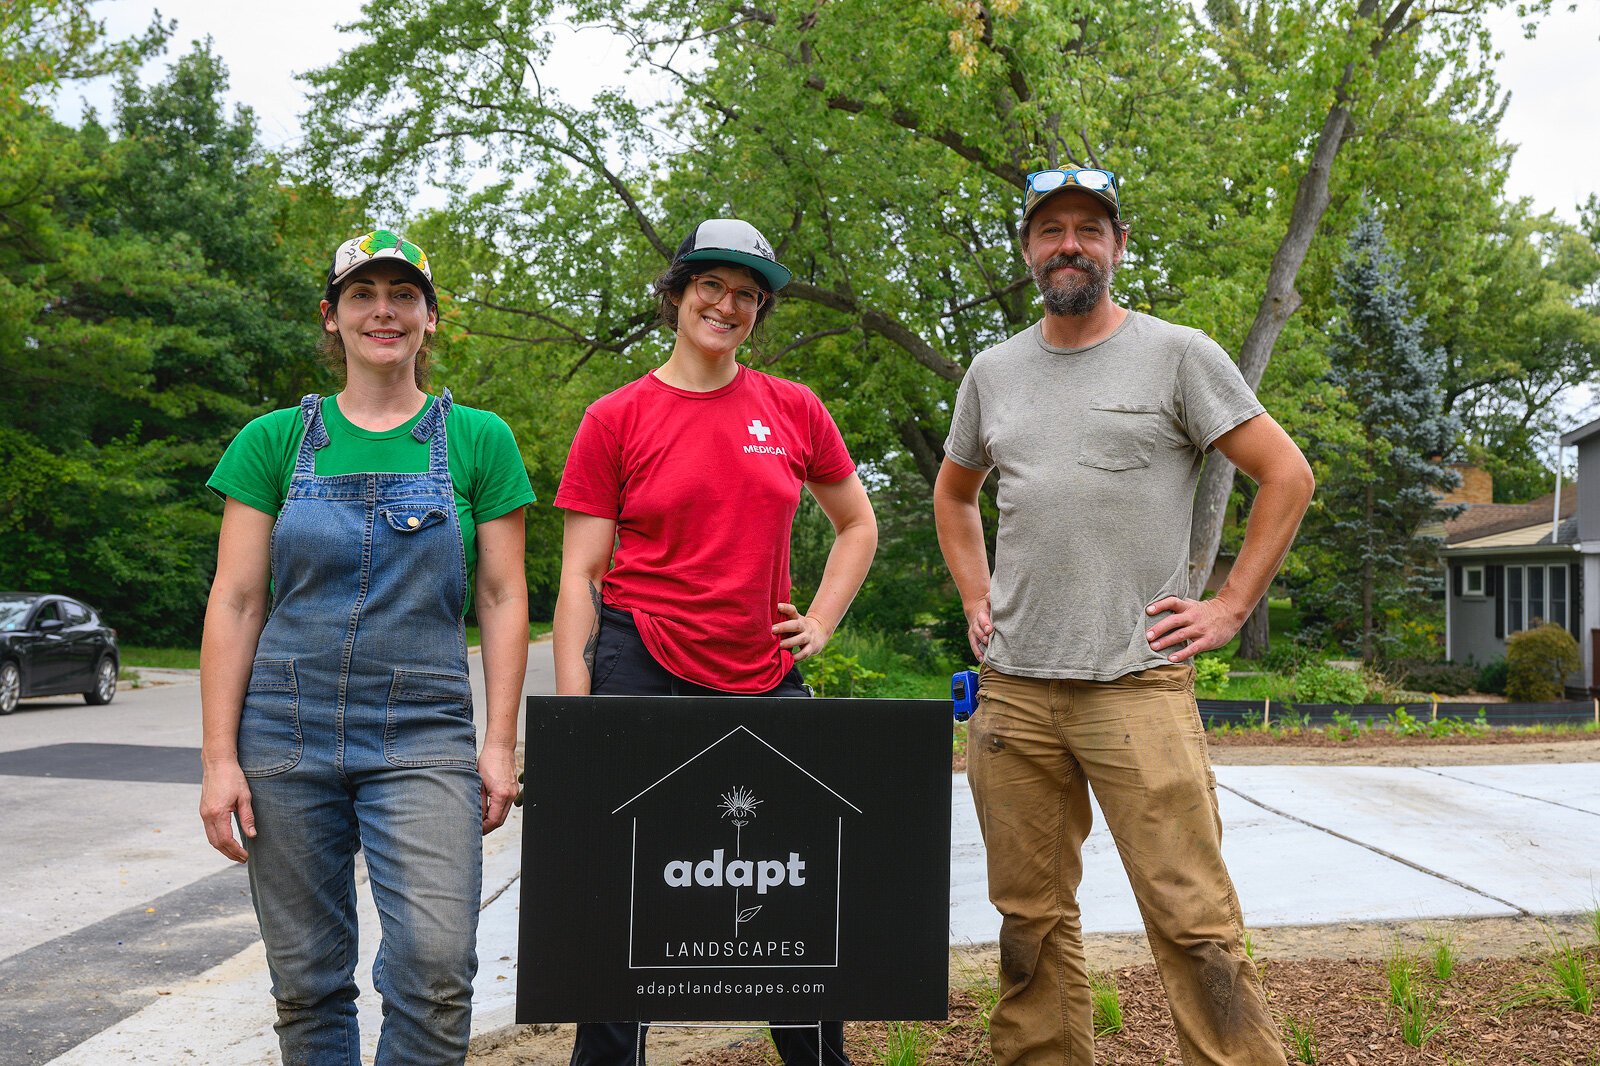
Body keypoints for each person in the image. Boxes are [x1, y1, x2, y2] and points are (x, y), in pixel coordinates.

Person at [933, 170, 1314, 1065]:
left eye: (1089, 230)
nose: (1070, 244)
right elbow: (955, 496)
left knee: (1194, 920)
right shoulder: (994, 373)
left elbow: (1286, 475)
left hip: (1137, 687)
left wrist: (1228, 605)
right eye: (1051, 229)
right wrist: (975, 595)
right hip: (1015, 696)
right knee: (1029, 923)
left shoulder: (1178, 354)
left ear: (1118, 246)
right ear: (1028, 249)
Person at [199, 229, 535, 1065]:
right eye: (362, 295)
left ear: (429, 319)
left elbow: (501, 597)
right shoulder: (273, 441)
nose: (382, 311)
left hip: (423, 733)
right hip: (284, 731)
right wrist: (216, 758)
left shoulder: (478, 439)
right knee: (308, 981)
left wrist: (497, 745)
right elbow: (237, 600)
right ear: (333, 316)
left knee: (434, 966)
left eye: (402, 296)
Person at [552, 218, 877, 1066]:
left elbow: (856, 524)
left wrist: (823, 619)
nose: (727, 305)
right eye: (711, 286)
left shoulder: (792, 408)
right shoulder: (615, 416)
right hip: (639, 664)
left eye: (747, 294)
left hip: (762, 675)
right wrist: (572, 719)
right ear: (676, 295)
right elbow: (581, 576)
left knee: (791, 895)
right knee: (626, 899)